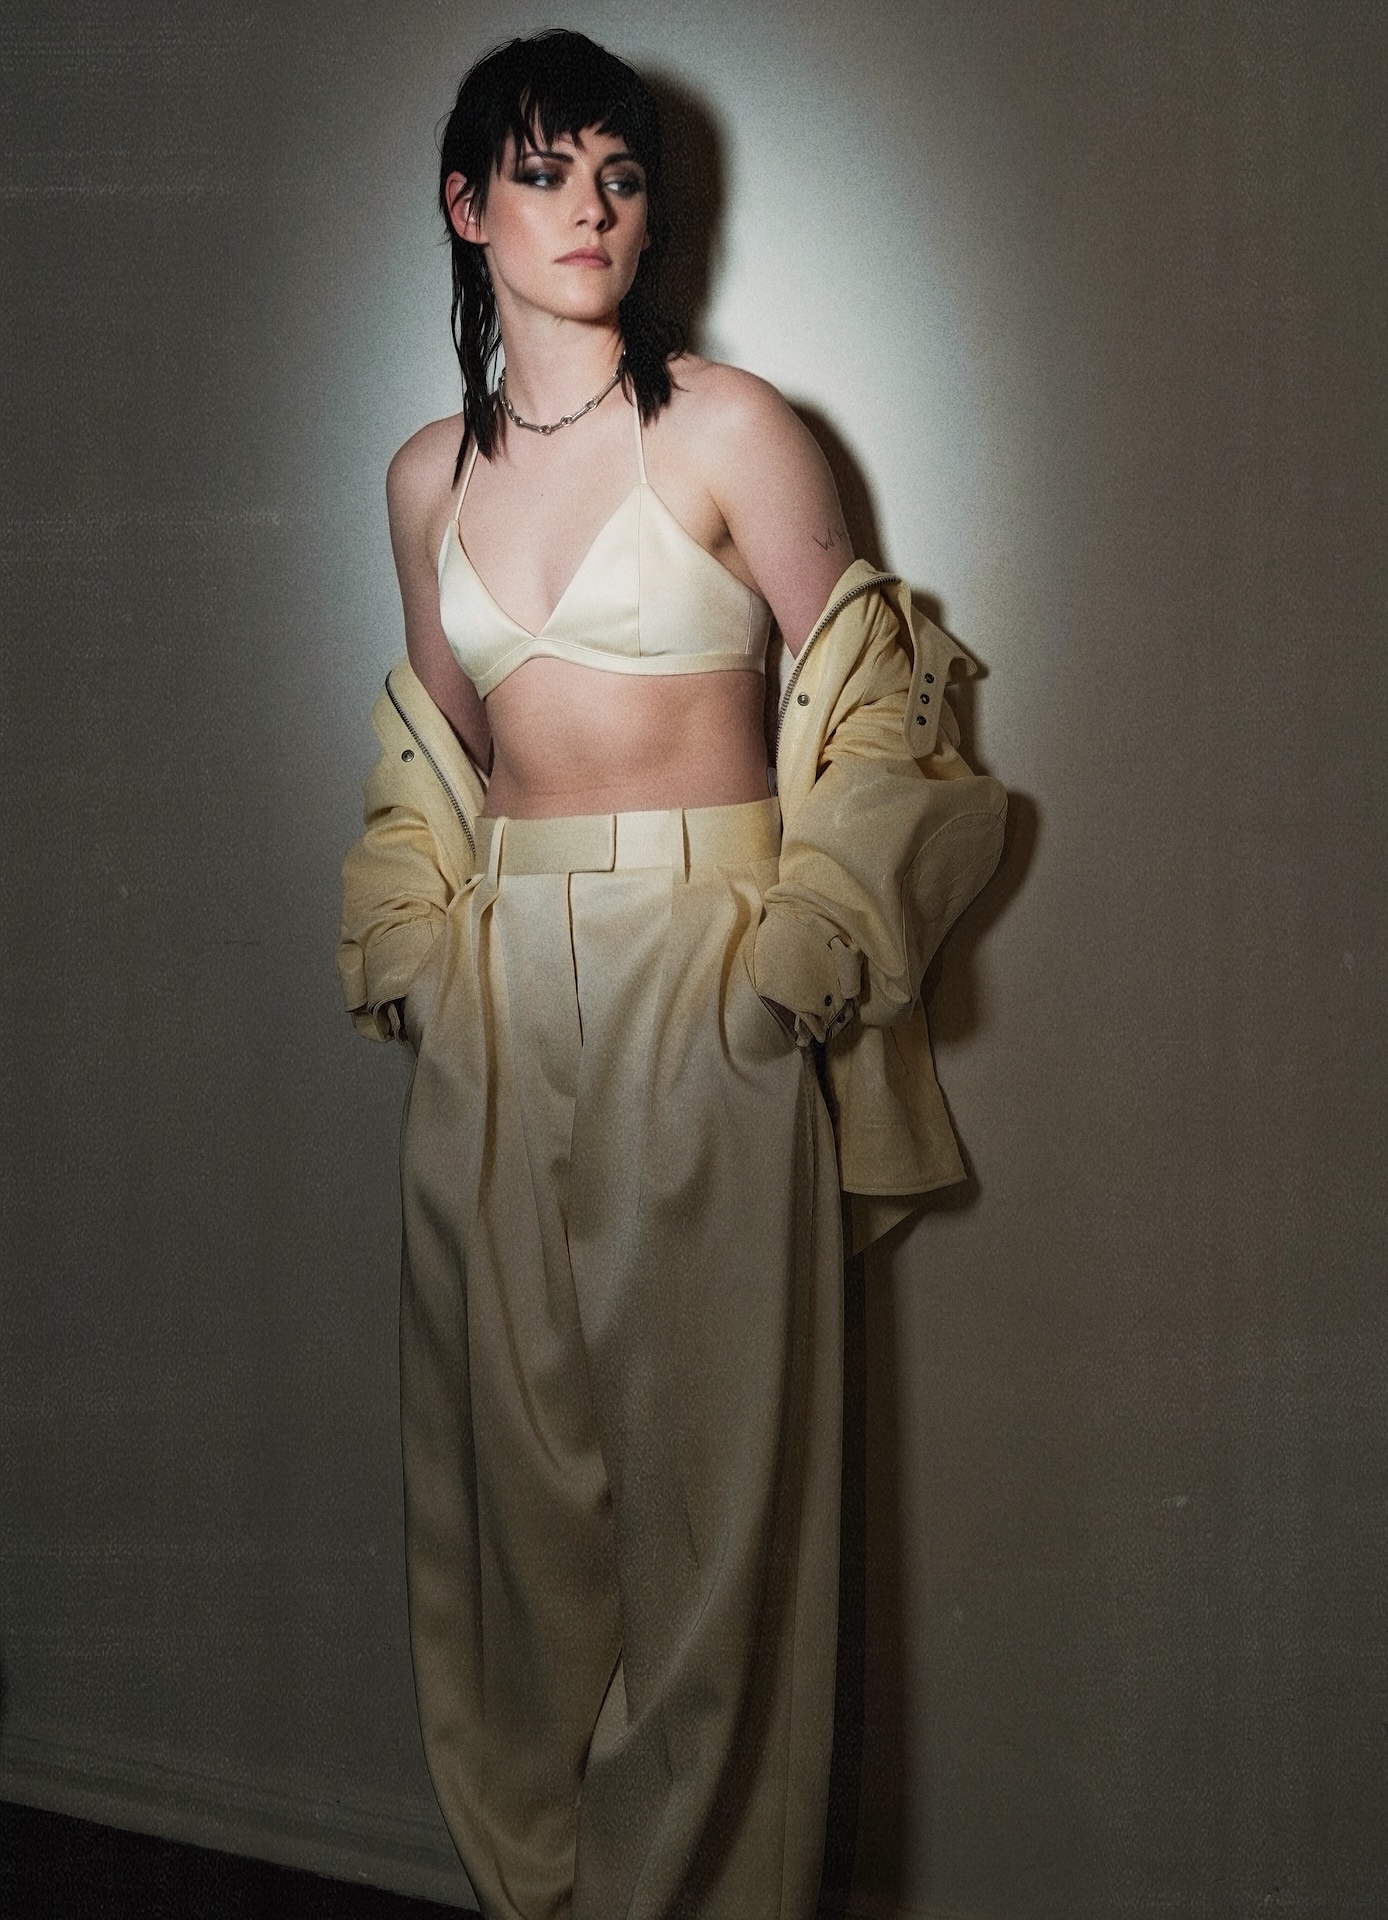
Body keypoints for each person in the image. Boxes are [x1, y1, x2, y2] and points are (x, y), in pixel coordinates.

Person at [337, 29, 1007, 1920]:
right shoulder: (423, 478)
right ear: (466, 207)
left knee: (714, 1494)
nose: (592, 211)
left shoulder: (728, 429)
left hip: (706, 967)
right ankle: (538, 1889)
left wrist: (798, 950)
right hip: (496, 984)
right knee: (509, 1484)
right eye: (545, 173)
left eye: (621, 177)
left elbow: (875, 696)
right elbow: (441, 751)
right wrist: (423, 948)